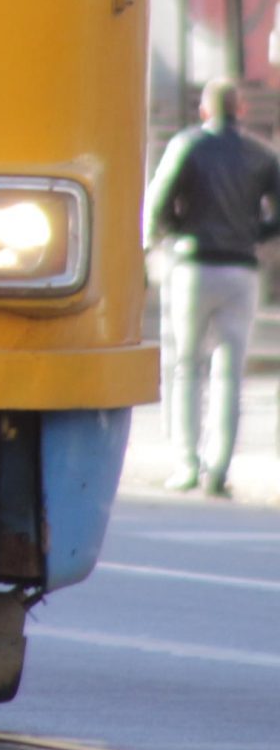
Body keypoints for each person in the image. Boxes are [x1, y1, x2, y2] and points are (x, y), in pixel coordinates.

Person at [146, 78, 280, 498]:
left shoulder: (187, 146)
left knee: (186, 365)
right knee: (229, 371)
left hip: (193, 264)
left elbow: (158, 203)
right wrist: (254, 233)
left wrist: (169, 232)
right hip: (240, 269)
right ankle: (219, 467)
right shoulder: (262, 154)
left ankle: (187, 462)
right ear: (240, 110)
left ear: (205, 110)